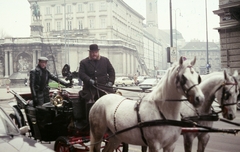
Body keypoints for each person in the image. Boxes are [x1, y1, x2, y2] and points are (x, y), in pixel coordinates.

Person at [76, 44, 115, 129]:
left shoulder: (105, 60)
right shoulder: (84, 62)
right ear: (90, 53)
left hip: (104, 87)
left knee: (114, 100)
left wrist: (110, 82)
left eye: (96, 52)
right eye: (92, 52)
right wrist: (88, 80)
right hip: (90, 89)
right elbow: (81, 74)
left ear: (98, 52)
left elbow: (111, 71)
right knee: (89, 103)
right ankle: (89, 123)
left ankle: (113, 122)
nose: (94, 54)